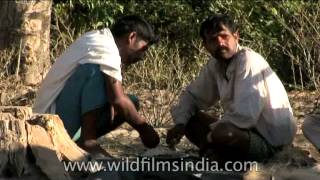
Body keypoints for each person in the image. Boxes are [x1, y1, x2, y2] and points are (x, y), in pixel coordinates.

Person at [166, 14, 296, 162]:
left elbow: (244, 116)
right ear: (206, 46)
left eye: (224, 36)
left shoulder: (249, 61)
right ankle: (220, 155)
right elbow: (193, 96)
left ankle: (220, 155)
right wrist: (180, 123)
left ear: (236, 37)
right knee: (191, 120)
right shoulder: (215, 65)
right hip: (244, 135)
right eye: (213, 40)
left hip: (272, 144)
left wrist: (210, 138)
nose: (220, 43)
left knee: (223, 133)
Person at [33, 15, 160, 156]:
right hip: (49, 123)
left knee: (131, 102)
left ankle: (76, 143)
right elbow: (118, 99)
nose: (142, 56)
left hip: (65, 119)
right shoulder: (105, 47)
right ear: (131, 37)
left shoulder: (103, 41)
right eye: (143, 49)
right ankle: (88, 141)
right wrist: (145, 129)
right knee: (94, 69)